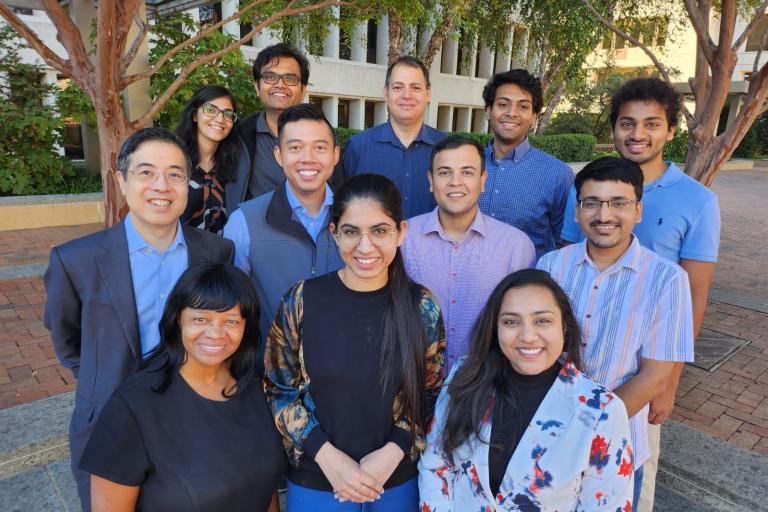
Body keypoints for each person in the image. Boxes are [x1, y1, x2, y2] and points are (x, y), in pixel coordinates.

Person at [43, 127, 234, 510]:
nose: (161, 186)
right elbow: (67, 339)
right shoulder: (76, 261)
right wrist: (103, 376)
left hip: (194, 420)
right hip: (111, 420)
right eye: (146, 172)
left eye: (175, 174)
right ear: (121, 181)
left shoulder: (217, 252)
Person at [559, 78, 720, 511]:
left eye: (652, 123)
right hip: (566, 388)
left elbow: (694, 298)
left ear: (670, 130)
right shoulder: (592, 185)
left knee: (633, 479)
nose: (637, 133)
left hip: (638, 375)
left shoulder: (697, 201)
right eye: (627, 123)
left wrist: (668, 383)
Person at [264, 173, 446, 510]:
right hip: (318, 481)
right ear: (334, 234)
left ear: (401, 232)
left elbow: (431, 392)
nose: (365, 246)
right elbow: (278, 389)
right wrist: (328, 457)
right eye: (351, 232)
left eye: (379, 231)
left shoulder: (422, 307)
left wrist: (394, 451)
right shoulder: (301, 301)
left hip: (397, 480)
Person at [537, 157, 694, 510]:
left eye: (618, 203)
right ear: (577, 212)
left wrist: (586, 432)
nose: (604, 215)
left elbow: (655, 377)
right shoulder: (550, 267)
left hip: (618, 444)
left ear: (638, 210)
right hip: (547, 438)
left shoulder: (667, 280)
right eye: (591, 203)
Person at [419, 269, 634, 511]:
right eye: (511, 321)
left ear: (564, 327)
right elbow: (436, 464)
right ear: (495, 328)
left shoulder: (602, 411)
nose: (528, 336)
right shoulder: (466, 375)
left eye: (542, 321)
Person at [80, 263, 286, 511]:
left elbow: (265, 490)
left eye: (231, 321)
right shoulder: (133, 407)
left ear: (246, 326)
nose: (215, 333)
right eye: (201, 319)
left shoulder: (256, 388)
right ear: (178, 319)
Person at [401, 135, 535, 371]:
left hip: (487, 386)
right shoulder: (402, 238)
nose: (455, 182)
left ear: (483, 180)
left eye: (467, 172)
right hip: (414, 382)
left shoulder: (516, 246)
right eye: (444, 172)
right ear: (431, 181)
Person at [224, 103, 344, 338]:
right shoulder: (244, 223)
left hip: (345, 366)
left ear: (335, 155)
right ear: (279, 155)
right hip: (271, 368)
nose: (308, 158)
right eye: (295, 147)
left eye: (319, 147)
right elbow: (231, 306)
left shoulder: (356, 218)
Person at [228, 43, 342, 210]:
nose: (280, 85)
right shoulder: (235, 137)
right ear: (257, 87)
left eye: (290, 78)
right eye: (270, 77)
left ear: (303, 89)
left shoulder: (326, 143)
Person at [478, 69, 574, 259]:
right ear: (488, 111)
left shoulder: (557, 174)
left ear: (534, 117)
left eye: (523, 107)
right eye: (503, 104)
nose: (511, 113)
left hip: (527, 283)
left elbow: (566, 243)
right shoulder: (466, 165)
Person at [343, 56, 447, 218]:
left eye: (416, 88)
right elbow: (345, 207)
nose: (407, 95)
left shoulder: (447, 147)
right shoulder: (358, 147)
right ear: (386, 93)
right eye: (398, 87)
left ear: (428, 93)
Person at [175, 85, 239, 234]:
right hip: (177, 253)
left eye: (227, 114)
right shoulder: (174, 162)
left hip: (223, 254)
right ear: (195, 115)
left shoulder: (234, 166)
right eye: (211, 110)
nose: (220, 119)